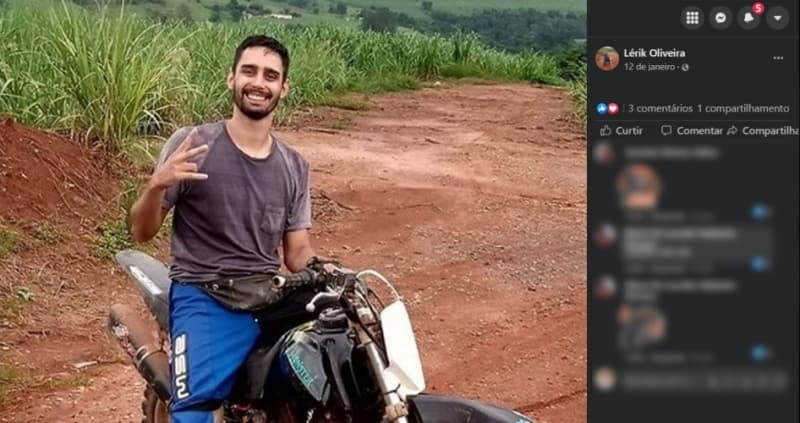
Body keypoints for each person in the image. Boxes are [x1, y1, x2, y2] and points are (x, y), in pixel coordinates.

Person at [129, 35, 319, 423]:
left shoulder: (293, 165)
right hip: (204, 293)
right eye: (249, 71)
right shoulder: (194, 144)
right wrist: (155, 186)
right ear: (232, 78)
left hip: (266, 293)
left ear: (284, 88)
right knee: (194, 413)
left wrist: (327, 270)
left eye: (270, 75)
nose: (258, 83)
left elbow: (297, 252)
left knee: (334, 351)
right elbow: (141, 232)